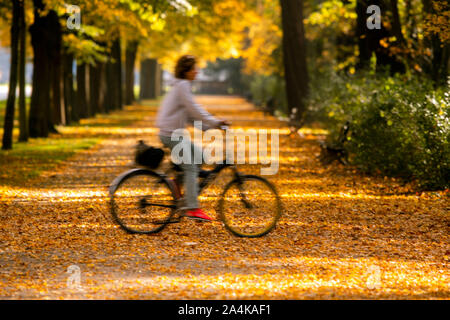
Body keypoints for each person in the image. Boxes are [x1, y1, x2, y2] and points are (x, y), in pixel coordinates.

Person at [156, 55, 229, 221]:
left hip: (175, 133)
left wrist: (210, 128)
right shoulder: (182, 86)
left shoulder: (182, 86)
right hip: (171, 134)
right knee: (190, 168)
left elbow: (190, 116)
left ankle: (176, 184)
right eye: (193, 69)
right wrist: (216, 122)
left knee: (201, 157)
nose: (197, 71)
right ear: (186, 71)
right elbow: (195, 110)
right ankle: (192, 208)